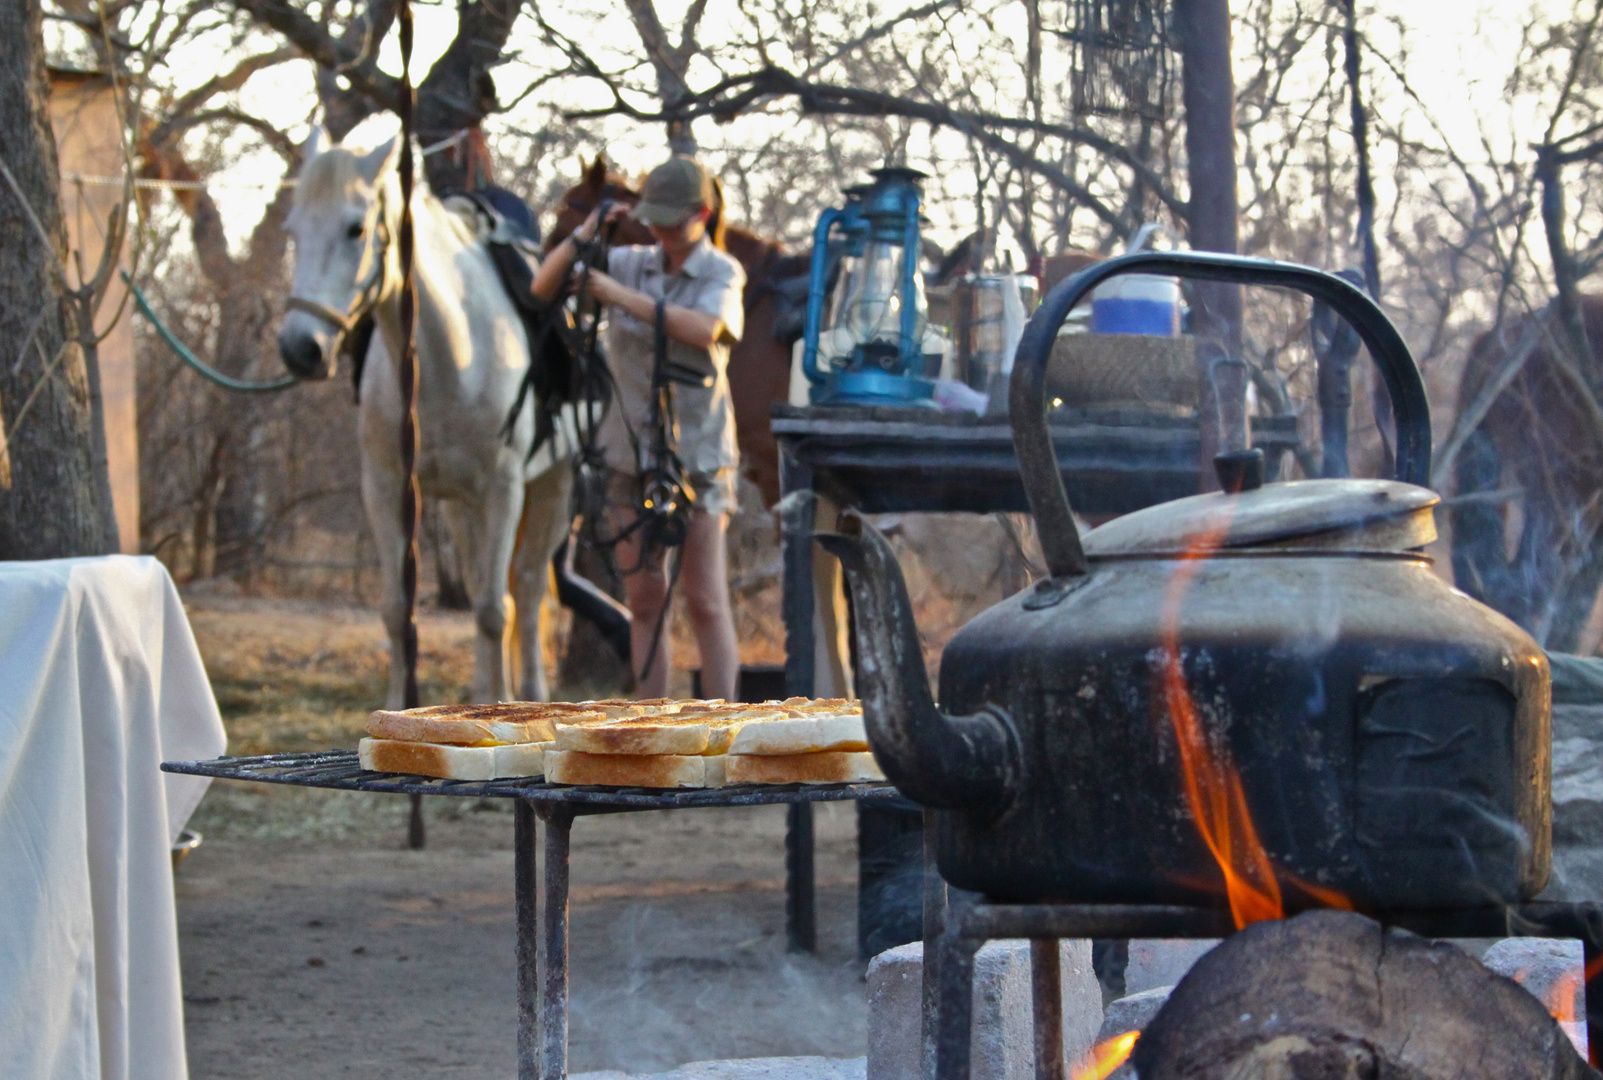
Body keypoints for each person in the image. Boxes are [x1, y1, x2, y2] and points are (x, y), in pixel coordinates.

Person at [531, 156, 744, 701]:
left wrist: (617, 297)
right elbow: (543, 285)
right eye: (655, 220)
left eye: (674, 221)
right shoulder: (629, 261)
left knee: (705, 599)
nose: (662, 232)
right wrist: (586, 231)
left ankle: (722, 729)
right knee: (646, 601)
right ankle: (656, 723)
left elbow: (704, 328)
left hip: (696, 457)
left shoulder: (721, 271)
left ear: (702, 213)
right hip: (628, 455)